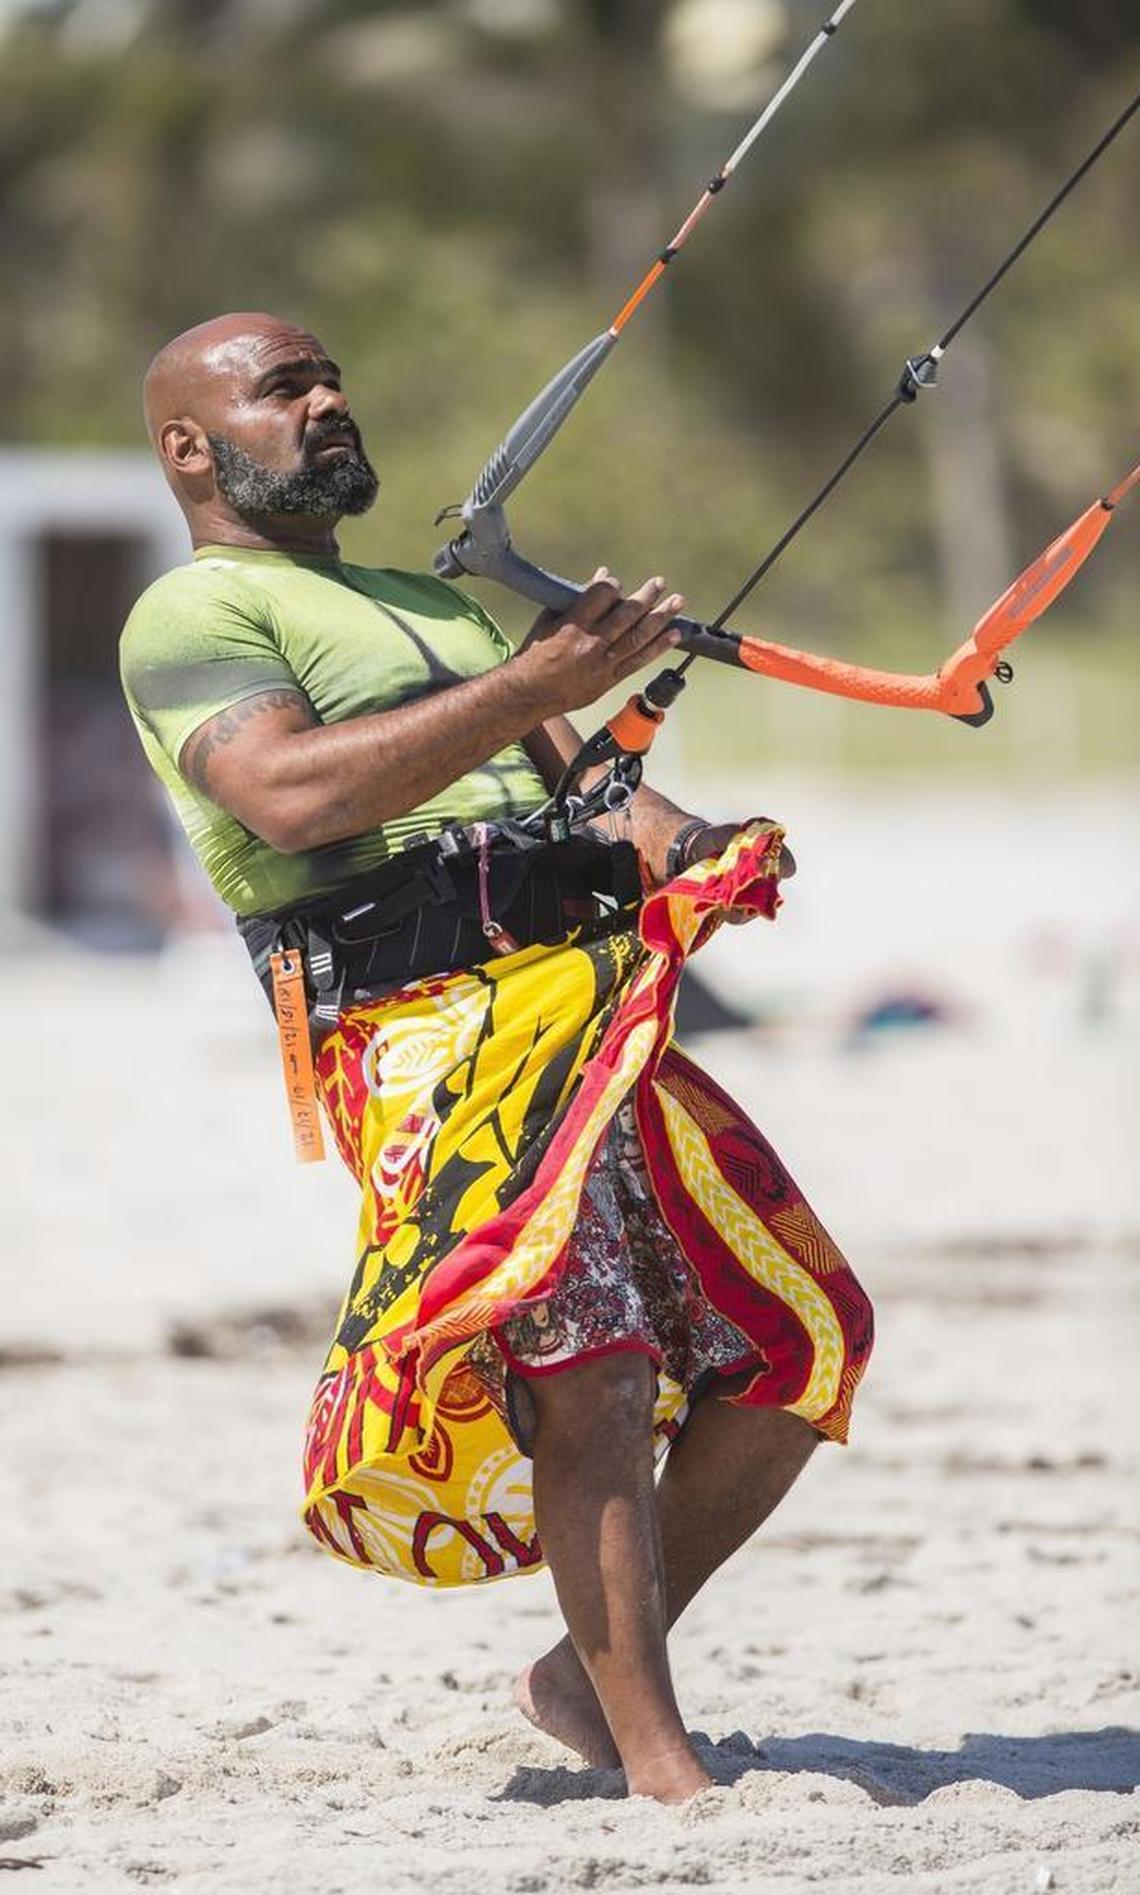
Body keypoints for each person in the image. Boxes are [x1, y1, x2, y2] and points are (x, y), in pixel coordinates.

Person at [121, 311, 874, 1805]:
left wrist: (695, 850)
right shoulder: (191, 616)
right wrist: (537, 685)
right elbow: (283, 795)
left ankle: (566, 1678)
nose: (329, 401)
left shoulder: (439, 607)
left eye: (334, 376)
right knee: (583, 1367)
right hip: (412, 1036)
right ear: (191, 451)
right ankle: (662, 1766)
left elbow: (589, 794)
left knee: (803, 1335)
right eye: (285, 390)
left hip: (579, 1011)